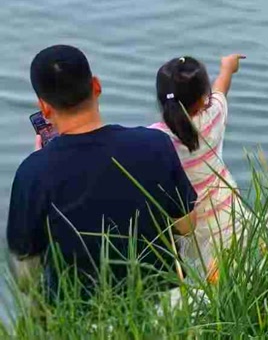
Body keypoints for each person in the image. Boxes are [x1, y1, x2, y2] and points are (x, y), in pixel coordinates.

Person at [7, 46, 196, 295]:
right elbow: (187, 226)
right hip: (162, 299)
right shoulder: (155, 143)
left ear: (44, 108)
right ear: (96, 86)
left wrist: (41, 161)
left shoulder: (32, 172)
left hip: (79, 312)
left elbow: (25, 273)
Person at [152, 53, 245, 274]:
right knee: (236, 275)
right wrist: (227, 68)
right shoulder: (214, 115)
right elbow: (221, 89)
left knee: (202, 279)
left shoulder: (154, 139)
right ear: (204, 98)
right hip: (231, 217)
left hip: (192, 231)